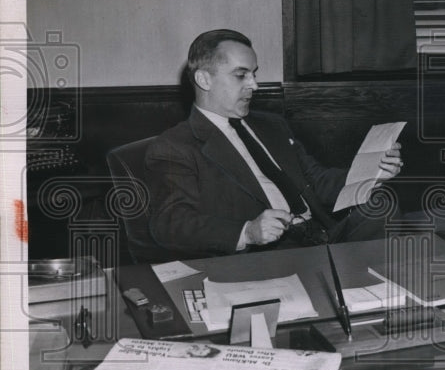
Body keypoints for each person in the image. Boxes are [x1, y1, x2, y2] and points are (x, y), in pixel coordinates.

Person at [145, 29, 402, 259]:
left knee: (382, 204)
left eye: (254, 75)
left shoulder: (272, 125)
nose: (254, 85)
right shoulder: (175, 146)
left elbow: (318, 182)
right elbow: (170, 223)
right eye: (241, 75)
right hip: (268, 254)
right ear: (204, 80)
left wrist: (372, 172)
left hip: (323, 236)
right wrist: (247, 232)